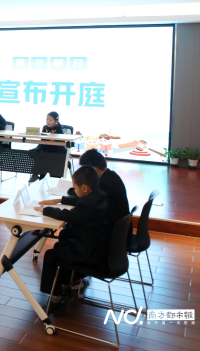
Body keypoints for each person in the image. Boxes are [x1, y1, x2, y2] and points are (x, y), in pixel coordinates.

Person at [34, 166, 109, 313]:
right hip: (100, 247)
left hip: (89, 253)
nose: (74, 190)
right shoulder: (101, 196)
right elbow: (77, 206)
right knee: (62, 243)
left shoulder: (87, 205)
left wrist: (46, 210)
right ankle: (67, 283)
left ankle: (55, 297)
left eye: (75, 187)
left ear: (85, 188)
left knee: (51, 255)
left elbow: (67, 215)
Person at [74, 149, 132, 244]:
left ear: (95, 170)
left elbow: (86, 200)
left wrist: (62, 199)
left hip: (113, 236)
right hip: (121, 231)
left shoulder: (104, 184)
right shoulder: (112, 175)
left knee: (75, 226)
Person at [29, 111, 67, 182]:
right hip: (45, 146)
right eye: (47, 119)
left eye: (50, 120)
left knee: (44, 155)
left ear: (56, 121)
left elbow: (61, 141)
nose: (48, 121)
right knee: (35, 152)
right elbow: (42, 140)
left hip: (55, 149)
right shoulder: (45, 127)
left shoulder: (58, 129)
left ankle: (41, 175)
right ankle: (35, 174)